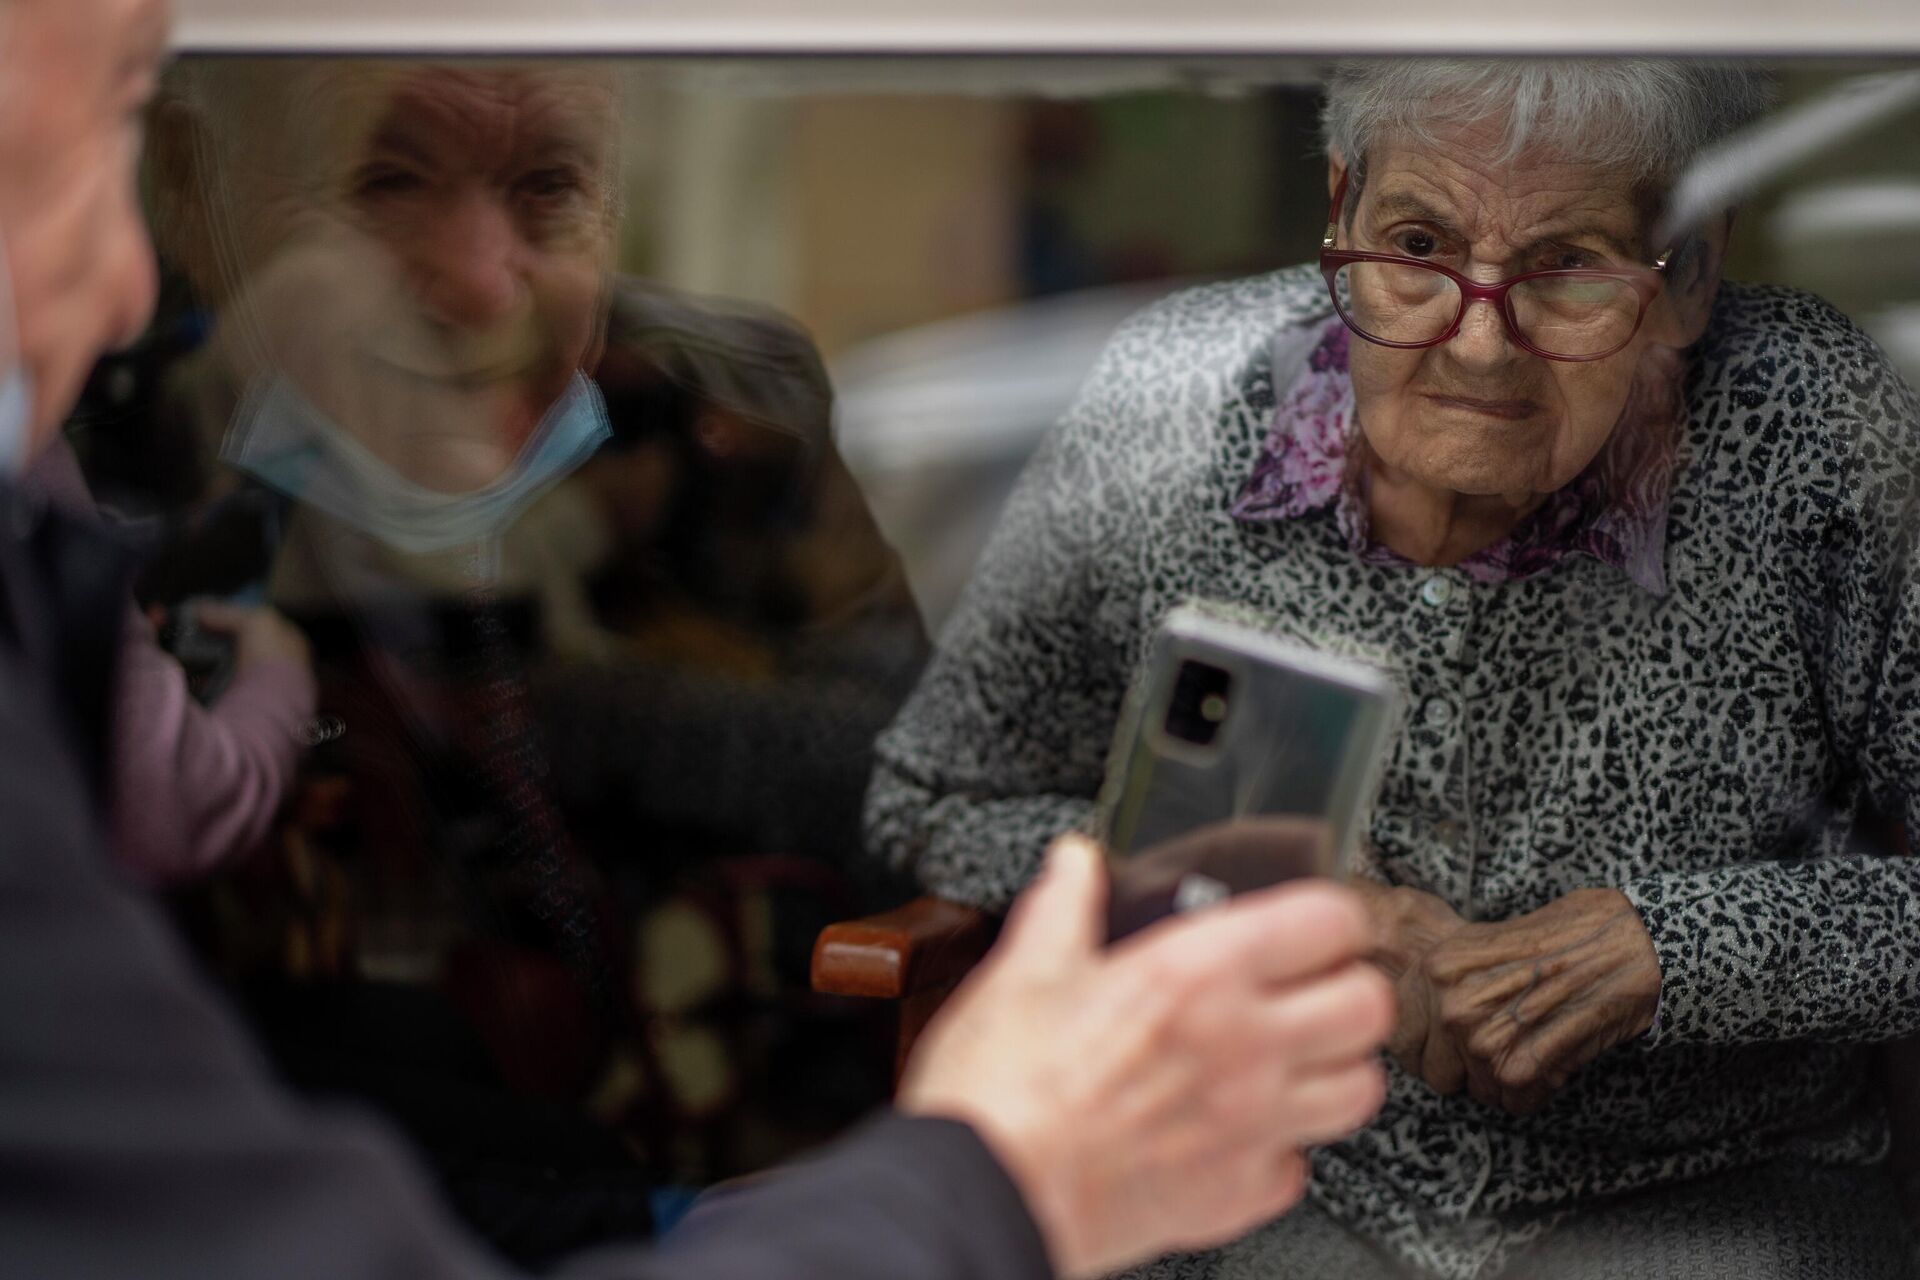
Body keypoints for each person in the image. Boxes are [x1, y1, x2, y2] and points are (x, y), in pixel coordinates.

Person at [0, 1, 1396, 1277]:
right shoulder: (95, 495)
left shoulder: (722, 414)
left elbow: (892, 783)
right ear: (192, 191)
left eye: (550, 189)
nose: (489, 282)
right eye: (385, 183)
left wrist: (581, 691)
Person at [868, 59, 1920, 1278]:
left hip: (1704, 1198)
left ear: (1682, 274)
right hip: (1265, 1180)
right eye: (1418, 244)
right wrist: (1276, 898)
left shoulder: (1811, 425)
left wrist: (1678, 947)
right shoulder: (1172, 400)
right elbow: (943, 796)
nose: (1479, 346)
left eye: (1568, 265)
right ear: (1343, 209)